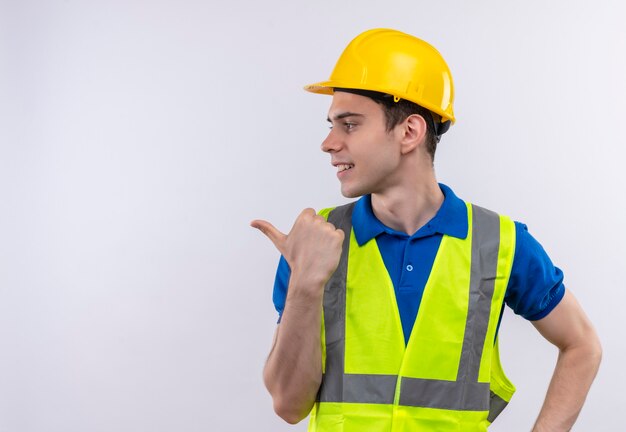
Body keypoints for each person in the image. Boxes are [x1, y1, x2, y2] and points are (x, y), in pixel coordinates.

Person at [251, 28, 601, 432]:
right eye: (331, 125)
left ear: (410, 132)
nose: (328, 143)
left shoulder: (500, 243)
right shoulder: (315, 241)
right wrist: (305, 286)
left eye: (349, 125)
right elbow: (289, 406)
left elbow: (582, 345)